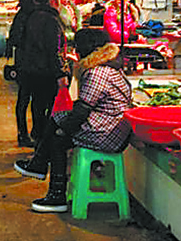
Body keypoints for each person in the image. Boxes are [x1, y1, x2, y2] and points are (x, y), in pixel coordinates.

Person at [14, 29, 132, 212]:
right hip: (112, 127)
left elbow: (82, 111)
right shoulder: (109, 67)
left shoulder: (97, 73)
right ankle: (39, 165)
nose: (75, 51)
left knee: (58, 139)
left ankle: (56, 195)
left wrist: (63, 131)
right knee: (58, 117)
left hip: (108, 133)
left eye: (77, 47)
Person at [19, 0, 70, 142]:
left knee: (37, 105)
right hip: (46, 71)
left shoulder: (33, 16)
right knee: (47, 107)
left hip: (32, 69)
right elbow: (53, 50)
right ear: (53, 0)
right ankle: (44, 141)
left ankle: (38, 137)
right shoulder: (51, 20)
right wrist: (61, 73)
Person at [7, 0, 43, 147]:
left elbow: (13, 37)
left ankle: (28, 133)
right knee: (29, 99)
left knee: (27, 98)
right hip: (28, 62)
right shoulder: (29, 15)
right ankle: (26, 133)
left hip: (26, 61)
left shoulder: (25, 13)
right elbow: (15, 37)